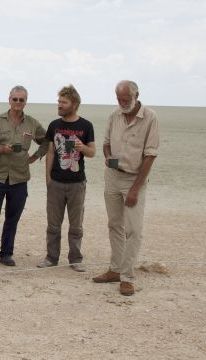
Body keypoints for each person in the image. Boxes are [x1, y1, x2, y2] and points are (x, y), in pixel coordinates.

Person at [92, 80, 159, 296]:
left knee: (134, 230)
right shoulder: (114, 115)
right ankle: (115, 269)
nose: (121, 103)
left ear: (136, 95)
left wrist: (135, 189)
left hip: (134, 180)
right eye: (118, 98)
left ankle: (127, 277)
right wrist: (108, 156)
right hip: (112, 177)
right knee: (114, 225)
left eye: (125, 99)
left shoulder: (150, 118)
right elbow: (105, 142)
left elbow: (150, 156)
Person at [0, 85, 48, 267]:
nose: (18, 102)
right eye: (15, 99)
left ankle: (6, 254)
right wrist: (0, 149)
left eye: (21, 100)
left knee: (12, 219)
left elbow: (47, 140)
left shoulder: (32, 123)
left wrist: (36, 155)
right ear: (9, 99)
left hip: (20, 178)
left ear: (26, 102)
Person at [37, 85, 95, 272]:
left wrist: (82, 148)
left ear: (74, 104)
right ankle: (51, 257)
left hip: (77, 183)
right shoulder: (54, 125)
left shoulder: (86, 126)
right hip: (56, 182)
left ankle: (75, 259)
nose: (60, 105)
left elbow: (92, 152)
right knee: (53, 225)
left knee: (76, 225)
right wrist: (48, 178)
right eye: (59, 101)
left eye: (64, 102)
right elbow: (51, 152)